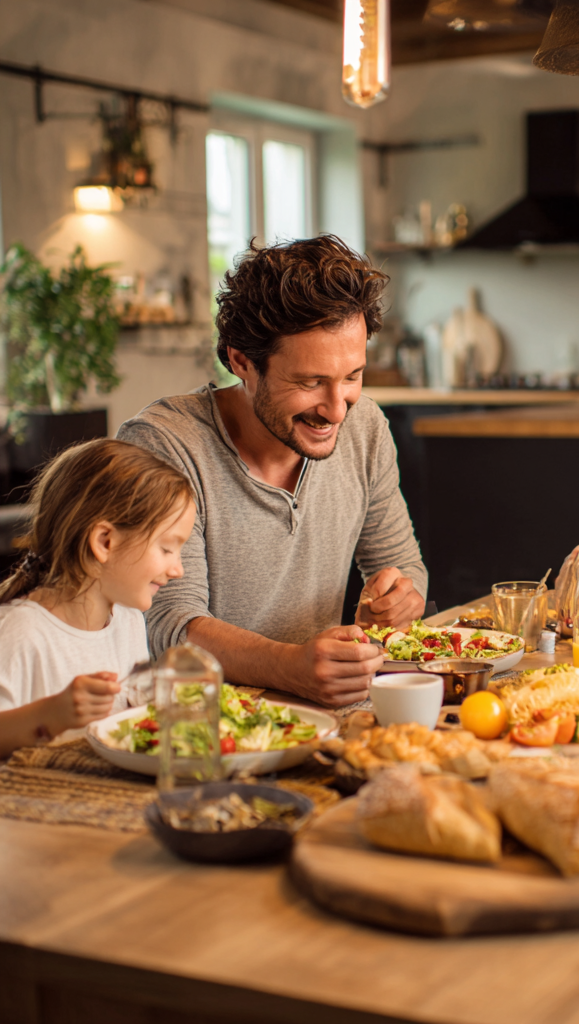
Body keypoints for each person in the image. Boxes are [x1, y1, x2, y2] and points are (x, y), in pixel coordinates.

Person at [118, 235, 427, 706]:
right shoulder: (166, 444)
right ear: (242, 361)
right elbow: (169, 627)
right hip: (194, 725)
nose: (337, 411)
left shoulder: (366, 427)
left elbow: (404, 567)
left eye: (352, 377)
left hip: (323, 712)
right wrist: (289, 667)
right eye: (309, 382)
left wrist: (399, 600)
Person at [0, 439, 195, 757]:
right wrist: (52, 715)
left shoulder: (128, 619)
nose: (178, 570)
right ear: (104, 541)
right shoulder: (18, 632)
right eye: (166, 549)